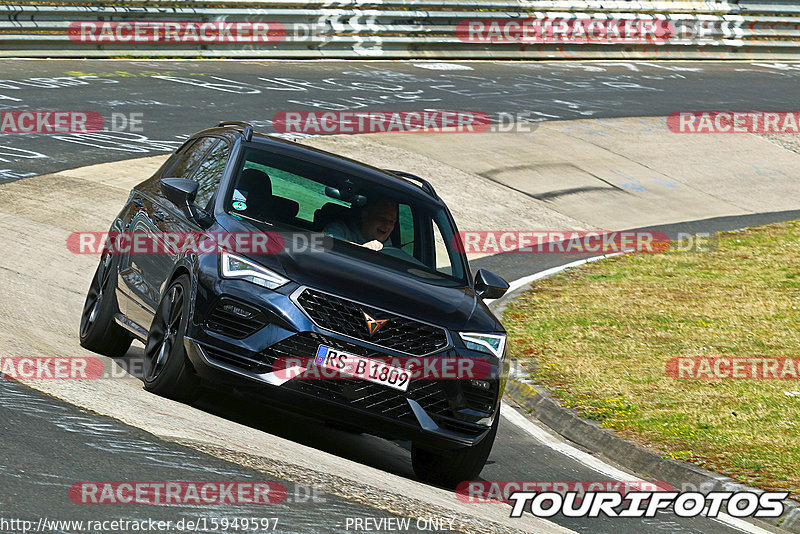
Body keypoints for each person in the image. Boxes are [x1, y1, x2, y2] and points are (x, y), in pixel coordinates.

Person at [324, 196, 397, 251]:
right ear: (365, 216)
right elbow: (323, 241)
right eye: (382, 218)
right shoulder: (339, 229)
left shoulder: (392, 250)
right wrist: (363, 249)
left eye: (392, 221)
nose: (387, 224)